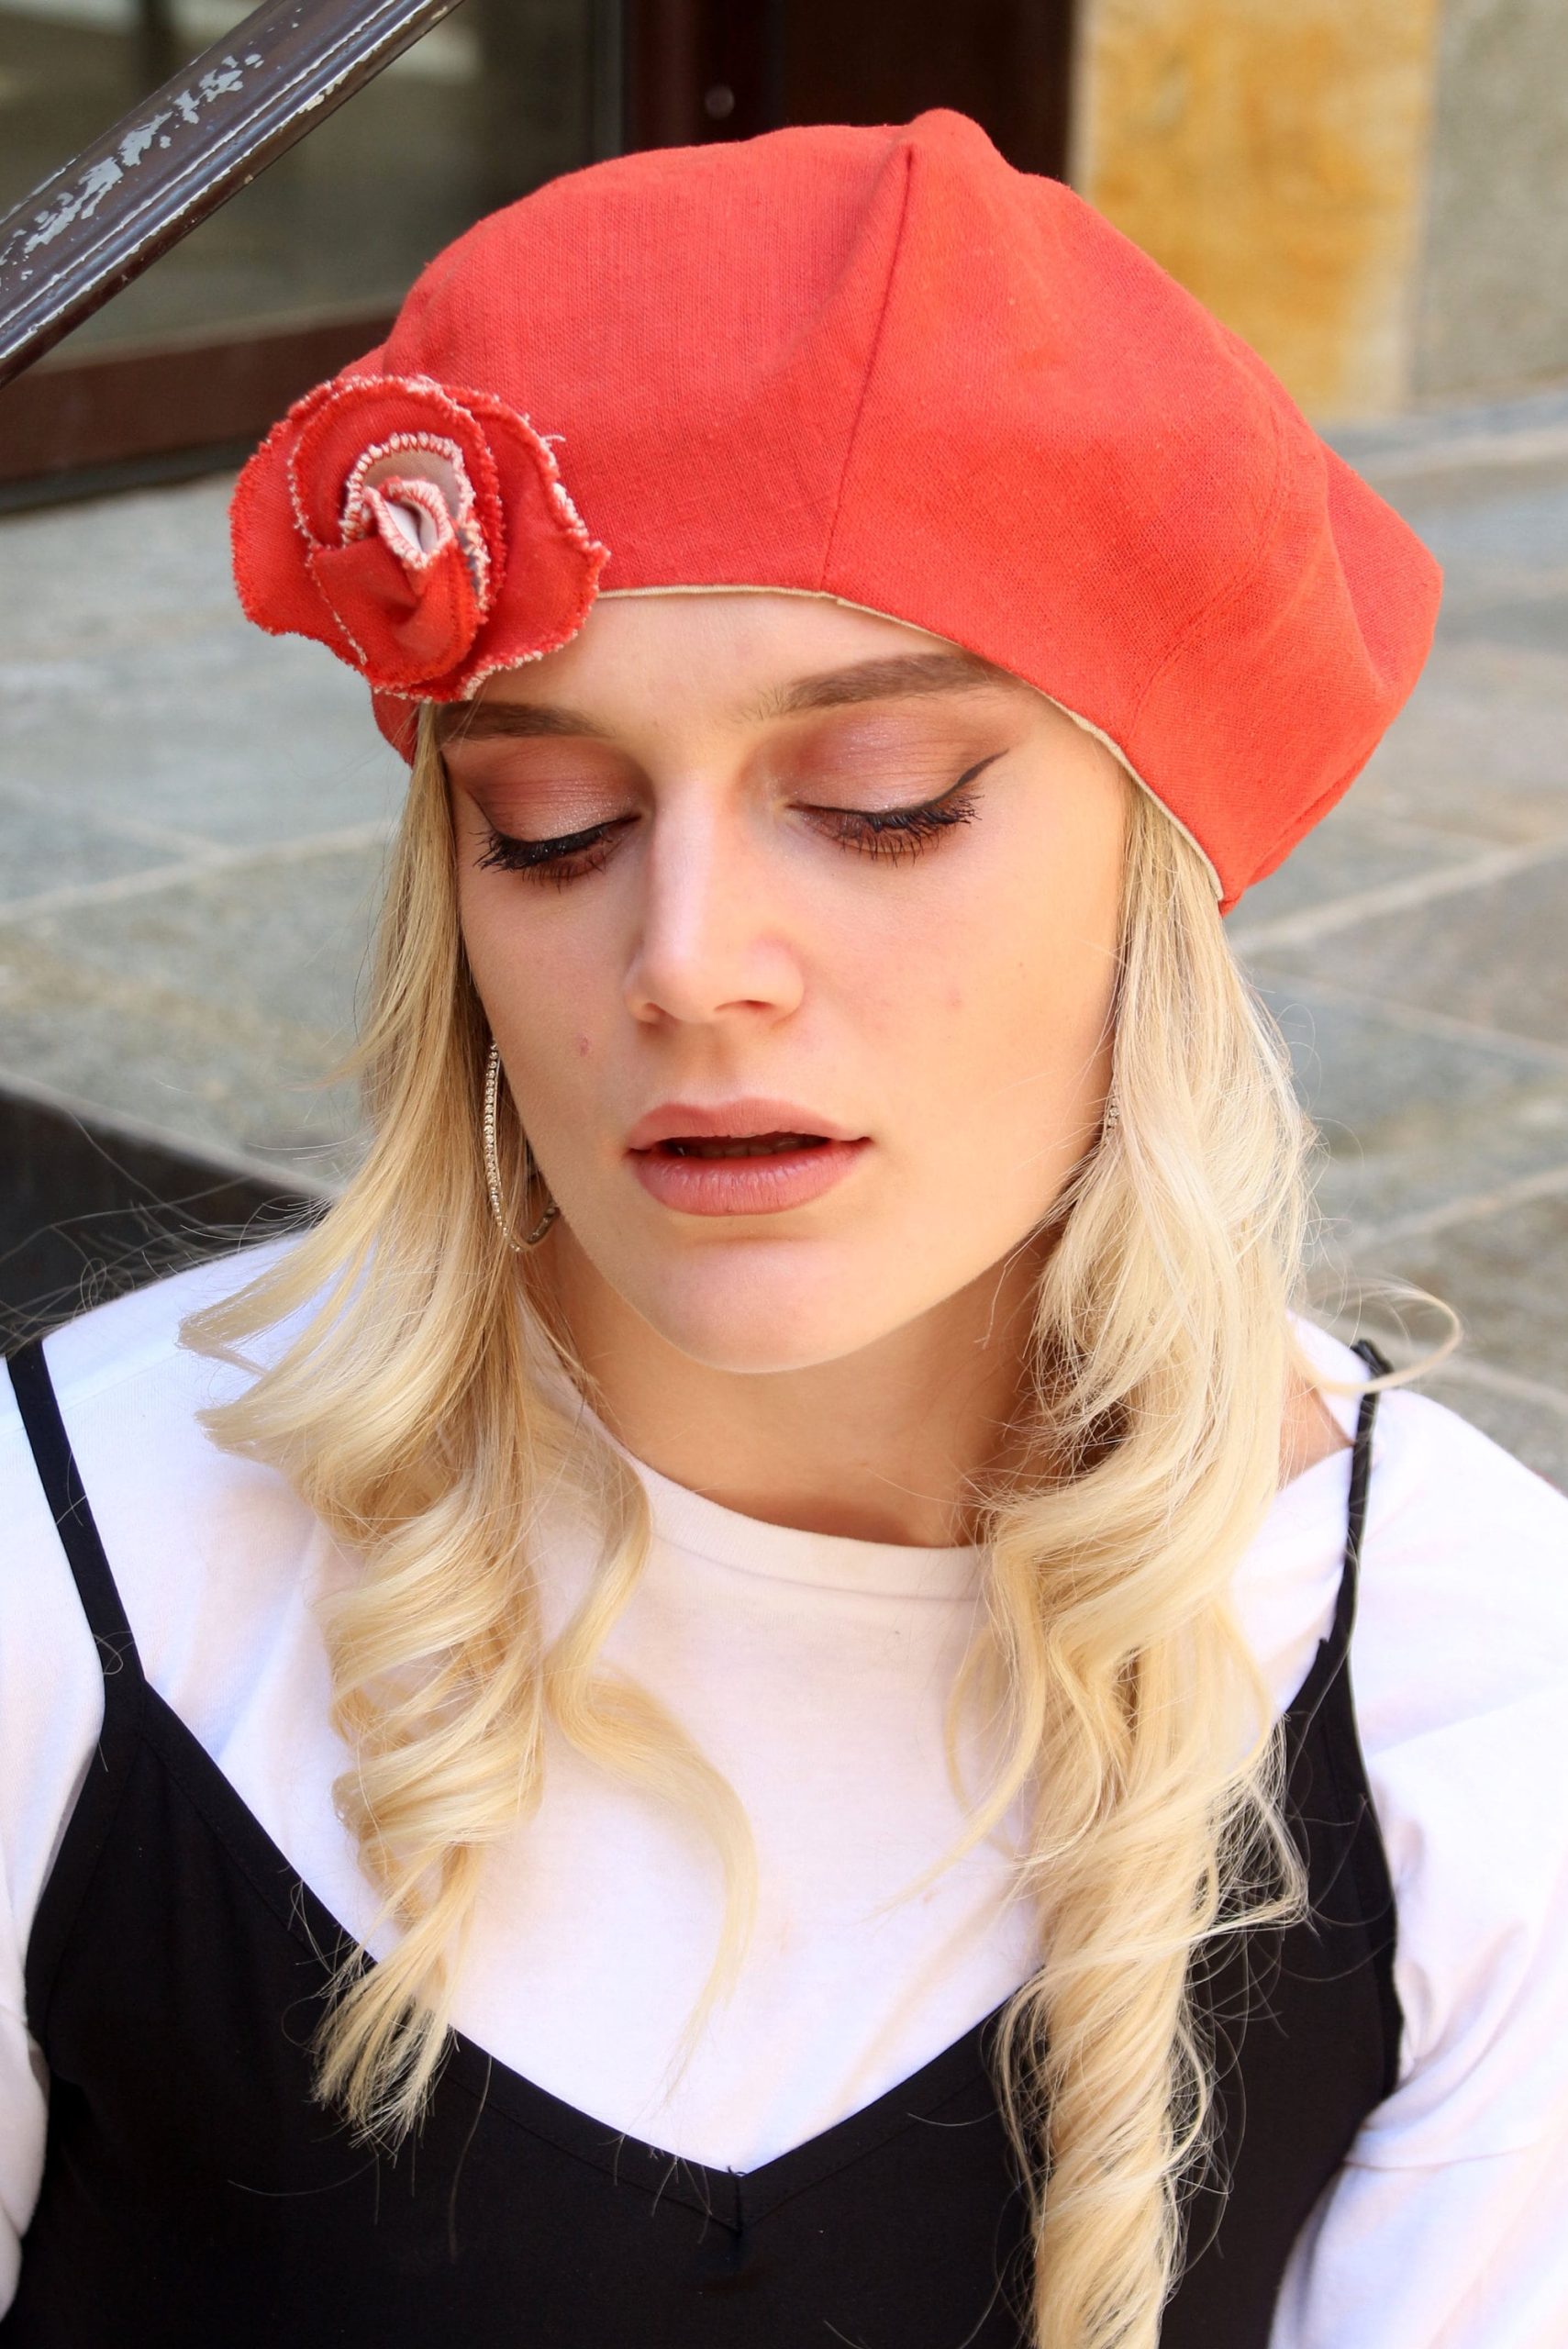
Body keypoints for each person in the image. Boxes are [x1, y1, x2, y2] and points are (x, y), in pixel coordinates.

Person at [1, 108, 1564, 2349]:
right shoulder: (74, 1567)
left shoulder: (1476, 1689)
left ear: (1154, 876)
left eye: (878, 804)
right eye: (548, 821)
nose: (691, 958)